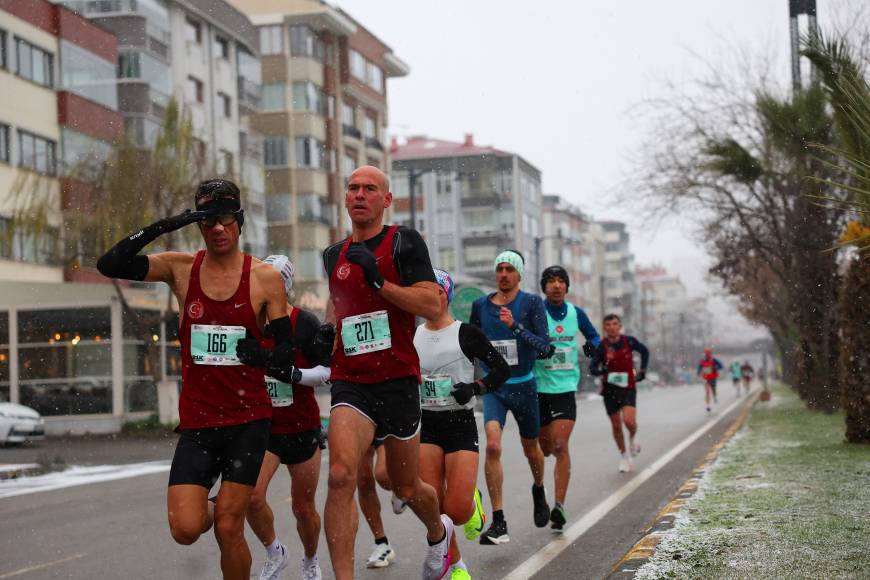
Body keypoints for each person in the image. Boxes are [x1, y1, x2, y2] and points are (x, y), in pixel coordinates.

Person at [96, 179, 289, 580]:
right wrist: (162, 227)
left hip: (248, 421)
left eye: (225, 220)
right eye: (207, 222)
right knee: (184, 529)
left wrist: (261, 354)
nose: (217, 229)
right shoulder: (181, 269)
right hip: (200, 423)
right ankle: (226, 501)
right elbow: (109, 264)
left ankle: (232, 509)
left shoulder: (265, 278)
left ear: (239, 222)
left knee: (228, 528)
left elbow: (285, 355)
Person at [322, 165, 451, 580]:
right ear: (345, 199)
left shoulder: (403, 242)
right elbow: (338, 311)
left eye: (369, 188)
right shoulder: (332, 255)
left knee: (407, 487)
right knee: (342, 475)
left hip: (396, 379)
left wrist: (378, 280)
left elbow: (432, 305)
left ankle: (438, 534)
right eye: (353, 188)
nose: (360, 194)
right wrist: (319, 339)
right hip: (351, 381)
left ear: (385, 199)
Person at [231, 255, 333, 580]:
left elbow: (327, 372)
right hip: (264, 428)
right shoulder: (248, 324)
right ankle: (275, 551)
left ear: (283, 287)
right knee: (251, 496)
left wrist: (294, 374)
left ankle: (311, 559)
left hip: (302, 426)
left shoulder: (304, 323)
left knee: (303, 509)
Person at [416, 268, 510, 578]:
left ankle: (473, 501)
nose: (431, 298)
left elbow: (500, 370)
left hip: (460, 425)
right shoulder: (412, 335)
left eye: (437, 292)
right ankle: (456, 565)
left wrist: (475, 388)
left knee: (455, 511)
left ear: (447, 295)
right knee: (433, 509)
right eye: (425, 292)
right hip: (427, 425)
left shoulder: (466, 333)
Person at [470, 250, 554, 545]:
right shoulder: (480, 306)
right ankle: (499, 521)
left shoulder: (531, 303)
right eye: (499, 269)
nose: (503, 274)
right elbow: (470, 348)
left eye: (509, 269)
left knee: (531, 449)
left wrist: (515, 327)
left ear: (519, 274)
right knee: (492, 445)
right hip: (496, 388)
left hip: (525, 386)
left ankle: (539, 488)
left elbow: (546, 348)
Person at [534, 266, 601, 531]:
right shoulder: (535, 312)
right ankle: (542, 490)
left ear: (567, 286)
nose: (556, 285)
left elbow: (594, 335)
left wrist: (592, 345)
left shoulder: (576, 313)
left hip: (565, 389)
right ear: (544, 286)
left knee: (561, 446)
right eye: (551, 281)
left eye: (561, 281)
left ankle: (559, 506)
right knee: (546, 448)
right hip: (539, 389)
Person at [590, 314, 650, 473]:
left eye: (615, 324)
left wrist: (642, 370)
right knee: (616, 425)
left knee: (629, 421)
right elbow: (592, 368)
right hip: (610, 390)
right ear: (604, 328)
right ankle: (624, 456)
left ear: (620, 326)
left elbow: (645, 351)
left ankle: (633, 436)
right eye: (608, 325)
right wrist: (602, 370)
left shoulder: (629, 341)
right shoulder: (602, 347)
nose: (612, 327)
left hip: (628, 387)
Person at [357, 443, 399, 568]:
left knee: (383, 475)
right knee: (363, 480)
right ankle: (381, 542)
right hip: (360, 424)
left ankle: (401, 486)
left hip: (387, 424)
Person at [697, 347, 723, 412]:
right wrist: (698, 373)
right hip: (705, 378)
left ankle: (715, 397)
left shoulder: (714, 360)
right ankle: (708, 405)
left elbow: (721, 366)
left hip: (713, 377)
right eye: (706, 353)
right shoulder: (702, 361)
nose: (707, 354)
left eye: (708, 353)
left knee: (713, 389)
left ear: (710, 353)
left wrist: (715, 367)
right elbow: (699, 368)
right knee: (707, 391)